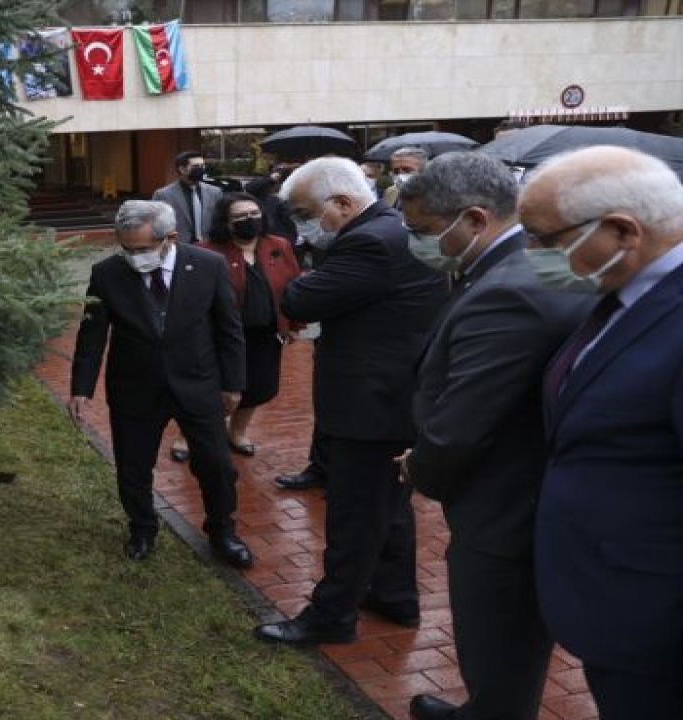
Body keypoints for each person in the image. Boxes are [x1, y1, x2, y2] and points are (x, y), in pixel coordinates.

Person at [395, 152, 592, 720]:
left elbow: (462, 423)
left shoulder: (507, 290)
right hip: (523, 492)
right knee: (503, 647)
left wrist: (420, 467)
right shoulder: (531, 265)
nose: (417, 243)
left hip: (503, 506)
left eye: (425, 232)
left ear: (475, 219)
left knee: (497, 643)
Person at [518, 146, 683, 719]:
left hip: (657, 634)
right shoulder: (623, 295)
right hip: (614, 604)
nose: (532, 255)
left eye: (543, 238)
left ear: (620, 231)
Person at [253, 157, 445, 645]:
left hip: (369, 404)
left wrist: (299, 278)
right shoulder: (397, 230)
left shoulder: (368, 242)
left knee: (354, 515)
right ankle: (394, 596)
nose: (299, 230)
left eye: (303, 214)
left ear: (341, 203)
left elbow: (299, 300)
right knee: (390, 508)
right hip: (394, 398)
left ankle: (331, 615)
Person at [68, 200, 255, 569]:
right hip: (135, 389)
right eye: (126, 249)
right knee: (133, 467)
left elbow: (229, 330)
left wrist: (233, 385)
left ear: (169, 238)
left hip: (198, 384)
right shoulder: (106, 274)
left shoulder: (207, 266)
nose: (133, 256)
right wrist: (80, 388)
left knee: (217, 465)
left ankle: (222, 532)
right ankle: (142, 529)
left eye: (141, 249)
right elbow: (92, 336)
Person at [197, 193, 303, 455]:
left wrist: (293, 324)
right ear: (225, 221)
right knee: (217, 388)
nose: (249, 219)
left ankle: (237, 432)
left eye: (254, 214)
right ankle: (194, 435)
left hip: (266, 334)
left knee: (256, 387)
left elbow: (293, 285)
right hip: (223, 337)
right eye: (240, 216)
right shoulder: (206, 251)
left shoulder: (278, 244)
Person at [152, 151, 223, 245]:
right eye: (196, 166)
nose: (201, 169)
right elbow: (157, 224)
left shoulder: (215, 192)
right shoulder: (163, 194)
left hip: (209, 245)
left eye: (203, 166)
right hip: (179, 246)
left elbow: (220, 220)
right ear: (182, 169)